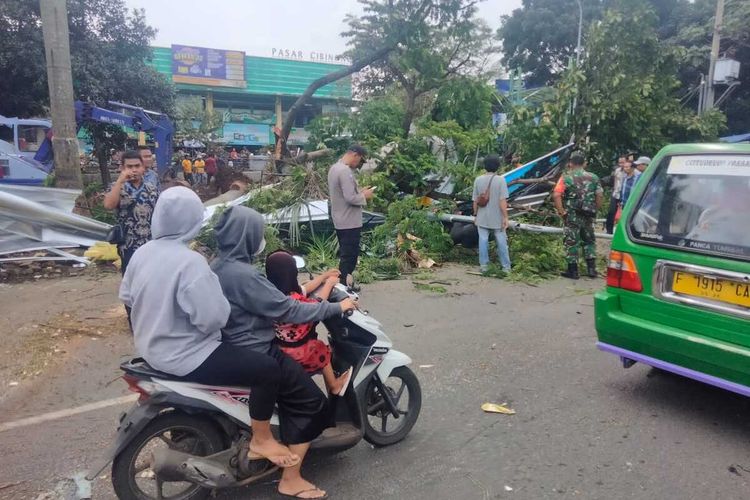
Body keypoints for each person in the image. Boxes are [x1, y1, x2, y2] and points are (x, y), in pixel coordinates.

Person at [120, 187, 301, 469]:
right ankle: (262, 438)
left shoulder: (142, 254)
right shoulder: (190, 262)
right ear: (194, 220)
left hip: (150, 349)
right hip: (188, 354)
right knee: (267, 369)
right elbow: (214, 319)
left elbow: (128, 299)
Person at [211, 205, 356, 499]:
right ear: (248, 237)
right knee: (311, 403)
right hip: (258, 348)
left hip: (230, 344)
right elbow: (288, 307)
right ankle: (291, 478)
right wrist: (337, 306)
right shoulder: (243, 275)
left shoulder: (217, 265)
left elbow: (285, 296)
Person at [265, 251, 353, 396]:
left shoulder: (274, 294)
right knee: (322, 350)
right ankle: (334, 385)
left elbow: (304, 289)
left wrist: (323, 276)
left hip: (282, 348)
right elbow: (316, 308)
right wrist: (329, 284)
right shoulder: (293, 300)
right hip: (300, 351)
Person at [102, 150, 159, 274]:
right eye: (129, 166)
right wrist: (119, 182)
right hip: (128, 245)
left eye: (137, 166)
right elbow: (108, 205)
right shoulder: (116, 187)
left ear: (143, 167)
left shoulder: (152, 189)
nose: (134, 170)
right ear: (122, 168)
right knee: (131, 281)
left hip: (151, 244)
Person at [327, 144, 374, 287]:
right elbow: (350, 198)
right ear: (355, 155)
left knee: (346, 254)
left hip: (340, 218)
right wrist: (365, 196)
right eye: (359, 160)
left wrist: (359, 191)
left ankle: (344, 283)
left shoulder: (334, 168)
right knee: (349, 256)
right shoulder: (344, 171)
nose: (358, 164)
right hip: (349, 221)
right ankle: (342, 285)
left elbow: (344, 193)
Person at [552, 151, 603, 279]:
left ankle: (573, 271)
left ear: (570, 164)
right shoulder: (594, 177)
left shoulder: (565, 177)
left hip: (572, 215)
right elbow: (600, 195)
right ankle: (591, 270)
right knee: (589, 240)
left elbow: (556, 195)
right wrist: (594, 209)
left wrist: (562, 211)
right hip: (588, 214)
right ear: (584, 163)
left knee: (571, 241)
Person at [472, 154, 511, 273]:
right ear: (497, 166)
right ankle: (506, 267)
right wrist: (505, 217)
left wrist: (475, 215)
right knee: (501, 241)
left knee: (483, 240)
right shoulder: (501, 180)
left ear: (485, 166)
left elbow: (475, 200)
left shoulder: (478, 180)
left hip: (482, 216)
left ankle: (484, 266)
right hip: (497, 217)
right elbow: (502, 201)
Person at [605, 155, 627, 234]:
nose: (621, 164)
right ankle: (608, 230)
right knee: (611, 212)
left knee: (625, 212)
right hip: (616, 193)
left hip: (625, 194)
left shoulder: (629, 171)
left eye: (623, 162)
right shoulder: (617, 170)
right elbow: (615, 181)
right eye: (619, 162)